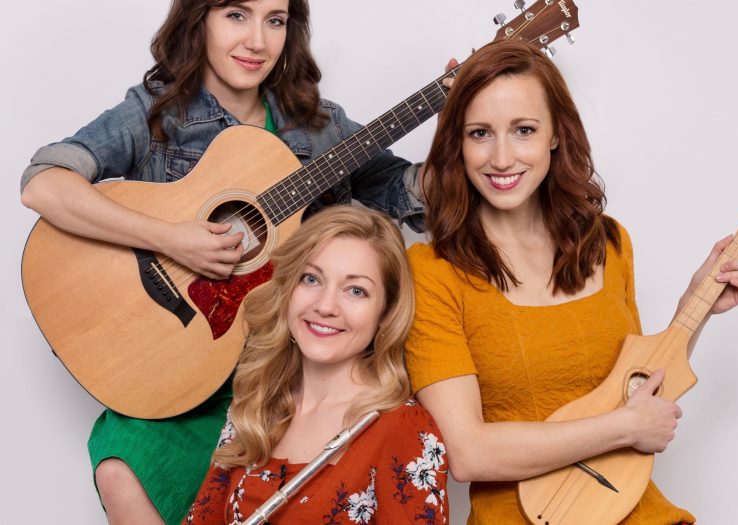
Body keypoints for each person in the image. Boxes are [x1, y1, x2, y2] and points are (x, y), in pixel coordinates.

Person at [19, 1, 433, 523]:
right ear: (199, 20)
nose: (257, 41)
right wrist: (171, 238)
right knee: (121, 460)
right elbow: (44, 184)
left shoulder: (319, 126)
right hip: (189, 364)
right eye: (237, 15)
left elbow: (404, 191)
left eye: (275, 20)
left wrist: (463, 121)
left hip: (289, 375)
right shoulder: (156, 113)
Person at [405, 40, 738, 524]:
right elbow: (469, 453)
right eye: (480, 133)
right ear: (456, 144)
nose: (501, 157)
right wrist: (623, 428)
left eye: (524, 130)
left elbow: (637, 392)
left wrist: (697, 305)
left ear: (555, 135)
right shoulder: (431, 272)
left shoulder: (607, 243)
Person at [182, 205, 448, 524]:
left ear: (386, 313)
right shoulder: (255, 406)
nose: (325, 306)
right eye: (311, 279)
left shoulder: (404, 428)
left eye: (356, 290)